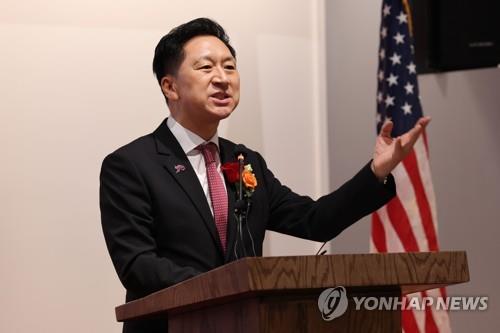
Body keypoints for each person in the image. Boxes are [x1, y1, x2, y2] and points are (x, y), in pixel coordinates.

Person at [99, 17, 430, 333]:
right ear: (170, 87)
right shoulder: (131, 165)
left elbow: (316, 220)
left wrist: (376, 172)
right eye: (206, 67)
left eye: (229, 66)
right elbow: (138, 266)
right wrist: (229, 286)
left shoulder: (246, 161)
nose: (222, 77)